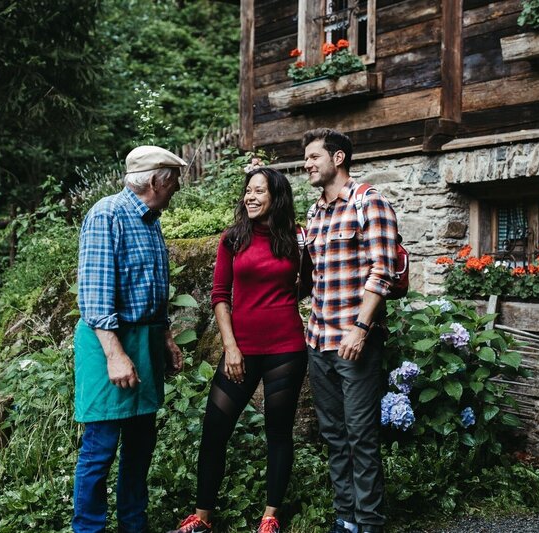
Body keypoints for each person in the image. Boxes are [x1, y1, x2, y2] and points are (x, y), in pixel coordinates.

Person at [169, 167, 308, 533]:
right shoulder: (233, 239)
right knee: (215, 430)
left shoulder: (297, 238)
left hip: (286, 349)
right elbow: (220, 295)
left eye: (259, 191)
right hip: (240, 351)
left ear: (276, 197)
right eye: (248, 191)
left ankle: (269, 518)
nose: (250, 197)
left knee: (278, 433)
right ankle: (201, 519)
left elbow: (306, 286)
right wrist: (230, 346)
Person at [72, 145, 187, 533]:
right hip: (110, 343)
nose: (177, 189)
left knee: (140, 446)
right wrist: (115, 355)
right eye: (173, 182)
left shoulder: (151, 220)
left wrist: (166, 337)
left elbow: (153, 288)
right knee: (101, 448)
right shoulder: (107, 214)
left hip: (146, 340)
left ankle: (133, 526)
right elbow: (94, 295)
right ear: (155, 181)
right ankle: (88, 528)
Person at [301, 128, 398, 533]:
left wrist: (361, 327)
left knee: (360, 435)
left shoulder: (368, 202)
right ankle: (346, 519)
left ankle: (370, 522)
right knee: (334, 435)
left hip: (353, 341)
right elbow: (312, 278)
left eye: (313, 157)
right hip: (318, 340)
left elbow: (384, 270)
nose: (307, 164)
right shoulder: (314, 213)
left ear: (338, 158)